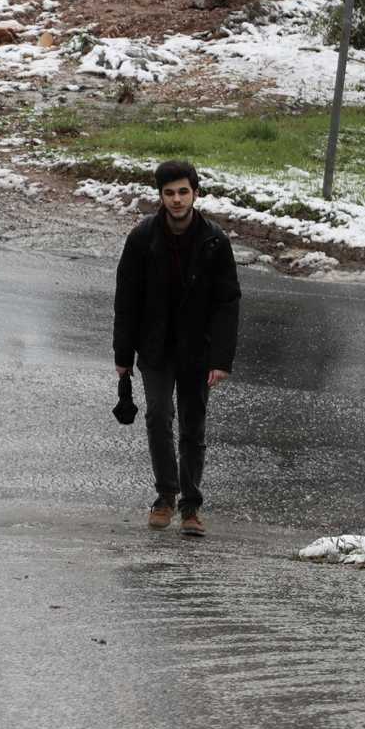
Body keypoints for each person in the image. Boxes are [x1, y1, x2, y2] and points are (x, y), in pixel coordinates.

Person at [112, 160, 241, 537]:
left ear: (195, 193)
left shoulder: (215, 241)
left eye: (183, 191)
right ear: (161, 196)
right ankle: (166, 496)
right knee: (158, 415)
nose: (177, 199)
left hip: (197, 351)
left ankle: (191, 506)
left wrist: (221, 359)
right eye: (169, 193)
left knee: (192, 425)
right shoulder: (141, 238)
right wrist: (123, 356)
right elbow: (126, 299)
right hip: (154, 348)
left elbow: (228, 302)